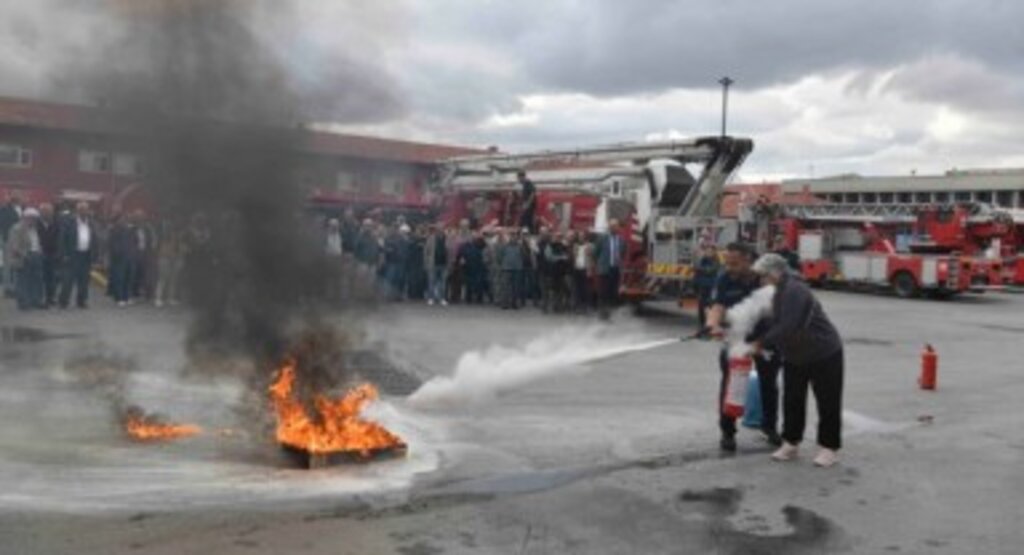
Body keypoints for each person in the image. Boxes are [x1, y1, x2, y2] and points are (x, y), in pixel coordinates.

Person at [750, 253, 845, 468]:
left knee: (827, 401)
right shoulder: (773, 292)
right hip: (795, 355)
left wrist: (760, 343)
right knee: (792, 399)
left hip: (823, 352)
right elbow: (764, 320)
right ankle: (791, 442)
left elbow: (788, 326)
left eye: (763, 276)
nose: (761, 281)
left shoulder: (794, 290)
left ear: (775, 273)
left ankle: (829, 448)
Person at [706, 242, 783, 452]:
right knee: (731, 384)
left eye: (735, 263)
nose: (730, 268)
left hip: (765, 338)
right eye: (727, 263)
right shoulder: (724, 277)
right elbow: (718, 306)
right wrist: (712, 325)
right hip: (736, 337)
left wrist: (763, 342)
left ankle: (770, 427)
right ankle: (727, 432)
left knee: (769, 383)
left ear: (749, 260)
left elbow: (779, 310)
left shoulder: (765, 278)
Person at [58, 202, 98, 309]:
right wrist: (65, 254)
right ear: (77, 211)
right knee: (68, 280)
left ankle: (81, 301)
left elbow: (95, 240)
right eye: (81, 210)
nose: (84, 212)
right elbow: (63, 239)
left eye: (86, 210)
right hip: (72, 255)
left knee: (84, 280)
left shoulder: (91, 223)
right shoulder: (69, 222)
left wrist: (95, 256)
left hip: (86, 255)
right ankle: (63, 301)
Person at [6, 208, 44, 310]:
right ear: (26, 218)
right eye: (32, 219)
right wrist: (25, 255)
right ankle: (23, 303)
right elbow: (14, 246)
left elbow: (36, 242)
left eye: (35, 219)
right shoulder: (17, 228)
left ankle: (35, 301)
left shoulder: (34, 229)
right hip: (24, 257)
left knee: (36, 280)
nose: (34, 221)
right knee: (23, 281)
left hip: (36, 255)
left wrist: (40, 250)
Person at [595, 219, 626, 319]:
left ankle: (610, 311)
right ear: (609, 227)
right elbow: (596, 252)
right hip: (604, 269)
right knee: (603, 291)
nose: (614, 228)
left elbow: (623, 253)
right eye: (612, 226)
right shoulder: (602, 239)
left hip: (615, 269)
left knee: (613, 291)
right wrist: (599, 264)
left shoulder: (621, 240)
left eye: (616, 226)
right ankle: (602, 313)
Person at [0, 192, 24, 296]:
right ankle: (8, 289)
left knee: (17, 265)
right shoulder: (4, 210)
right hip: (8, 240)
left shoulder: (23, 209)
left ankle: (16, 287)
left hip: (20, 241)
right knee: (8, 266)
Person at [693, 244, 721, 333]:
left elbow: (710, 271)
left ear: (714, 252)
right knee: (701, 304)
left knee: (710, 304)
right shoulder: (702, 260)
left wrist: (701, 269)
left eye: (710, 251)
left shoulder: (716, 261)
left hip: (711, 286)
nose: (708, 253)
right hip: (702, 285)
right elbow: (696, 269)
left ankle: (710, 323)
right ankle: (702, 322)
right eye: (707, 251)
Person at [37, 203, 61, 308]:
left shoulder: (56, 223)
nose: (48, 214)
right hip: (40, 253)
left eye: (49, 212)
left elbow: (60, 238)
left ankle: (51, 298)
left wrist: (59, 252)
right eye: (45, 212)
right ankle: (41, 299)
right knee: (41, 278)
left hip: (53, 254)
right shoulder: (36, 223)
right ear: (41, 213)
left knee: (52, 278)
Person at [423, 225, 449, 306]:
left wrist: (450, 263)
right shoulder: (431, 238)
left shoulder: (447, 238)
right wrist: (426, 263)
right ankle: (431, 298)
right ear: (436, 230)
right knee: (431, 282)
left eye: (441, 229)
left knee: (443, 283)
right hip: (433, 263)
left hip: (444, 264)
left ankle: (442, 298)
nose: (440, 230)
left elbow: (450, 252)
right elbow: (426, 251)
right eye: (438, 229)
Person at [499, 230, 524, 309]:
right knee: (505, 287)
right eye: (512, 235)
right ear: (510, 237)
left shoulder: (520, 246)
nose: (514, 237)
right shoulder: (505, 246)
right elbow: (500, 256)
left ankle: (514, 303)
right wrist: (503, 264)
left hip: (517, 269)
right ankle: (504, 303)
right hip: (506, 268)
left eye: (515, 235)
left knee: (516, 288)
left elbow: (523, 256)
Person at [323, 218, 345, 304]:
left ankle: (337, 299)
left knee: (338, 279)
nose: (334, 227)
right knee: (329, 279)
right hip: (329, 259)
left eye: (336, 225)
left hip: (338, 259)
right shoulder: (326, 235)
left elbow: (342, 246)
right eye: (333, 225)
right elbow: (323, 247)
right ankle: (329, 299)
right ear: (330, 226)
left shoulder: (340, 234)